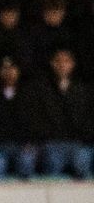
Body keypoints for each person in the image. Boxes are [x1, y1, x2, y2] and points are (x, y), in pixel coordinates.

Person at [40, 47, 94, 179]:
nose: (62, 65)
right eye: (58, 61)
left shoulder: (83, 90)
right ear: (52, 64)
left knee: (81, 162)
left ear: (72, 64)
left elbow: (87, 118)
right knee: (52, 164)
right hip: (53, 142)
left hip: (78, 142)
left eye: (66, 61)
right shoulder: (43, 90)